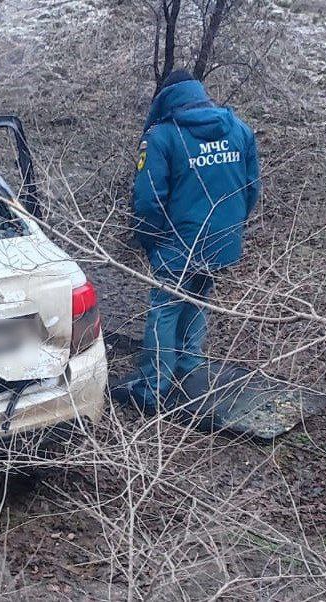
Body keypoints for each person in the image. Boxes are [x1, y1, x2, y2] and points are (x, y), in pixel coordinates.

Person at [121, 69, 261, 412]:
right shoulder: (239, 130)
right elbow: (252, 188)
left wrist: (152, 240)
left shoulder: (162, 137)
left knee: (165, 308)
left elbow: (148, 200)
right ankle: (188, 368)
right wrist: (231, 228)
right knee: (197, 298)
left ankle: (153, 388)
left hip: (177, 240)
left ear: (166, 98)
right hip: (221, 240)